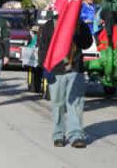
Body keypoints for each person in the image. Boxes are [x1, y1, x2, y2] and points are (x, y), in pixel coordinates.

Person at [38, 15, 92, 148]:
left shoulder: (79, 24)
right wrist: (45, 67)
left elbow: (87, 44)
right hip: (56, 70)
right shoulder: (50, 25)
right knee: (58, 104)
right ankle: (58, 134)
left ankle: (76, 135)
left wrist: (79, 28)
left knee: (75, 104)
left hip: (75, 68)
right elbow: (43, 48)